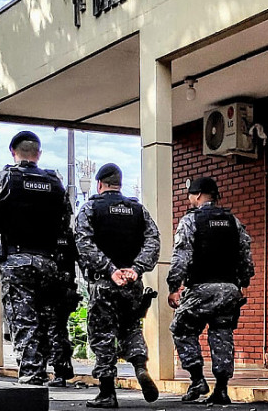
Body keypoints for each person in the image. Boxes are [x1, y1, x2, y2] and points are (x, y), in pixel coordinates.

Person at [0, 130, 73, 385]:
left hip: (17, 260)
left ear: (13, 152)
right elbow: (65, 220)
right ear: (38, 154)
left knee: (24, 318)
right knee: (50, 317)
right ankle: (59, 372)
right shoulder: (55, 182)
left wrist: (2, 220)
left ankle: (32, 374)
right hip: (49, 261)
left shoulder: (2, 179)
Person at [74, 163, 160, 408]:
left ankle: (107, 393)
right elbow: (153, 241)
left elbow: (84, 244)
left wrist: (110, 270)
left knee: (102, 336)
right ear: (119, 184)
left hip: (104, 283)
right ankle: (141, 368)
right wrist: (136, 269)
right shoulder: (138, 210)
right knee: (131, 328)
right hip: (132, 284)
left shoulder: (90, 208)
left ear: (99, 184)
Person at [167, 177, 254, 405]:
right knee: (222, 334)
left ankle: (197, 379)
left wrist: (174, 287)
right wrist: (243, 283)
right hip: (229, 289)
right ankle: (222, 390)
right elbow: (246, 253)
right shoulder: (233, 221)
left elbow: (181, 256)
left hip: (201, 288)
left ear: (196, 196)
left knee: (181, 328)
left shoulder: (190, 221)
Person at [44, 230, 82, 387]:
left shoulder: (44, 234)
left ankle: (60, 371)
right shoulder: (68, 235)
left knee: (53, 331)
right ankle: (63, 369)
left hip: (50, 291)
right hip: (65, 290)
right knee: (59, 330)